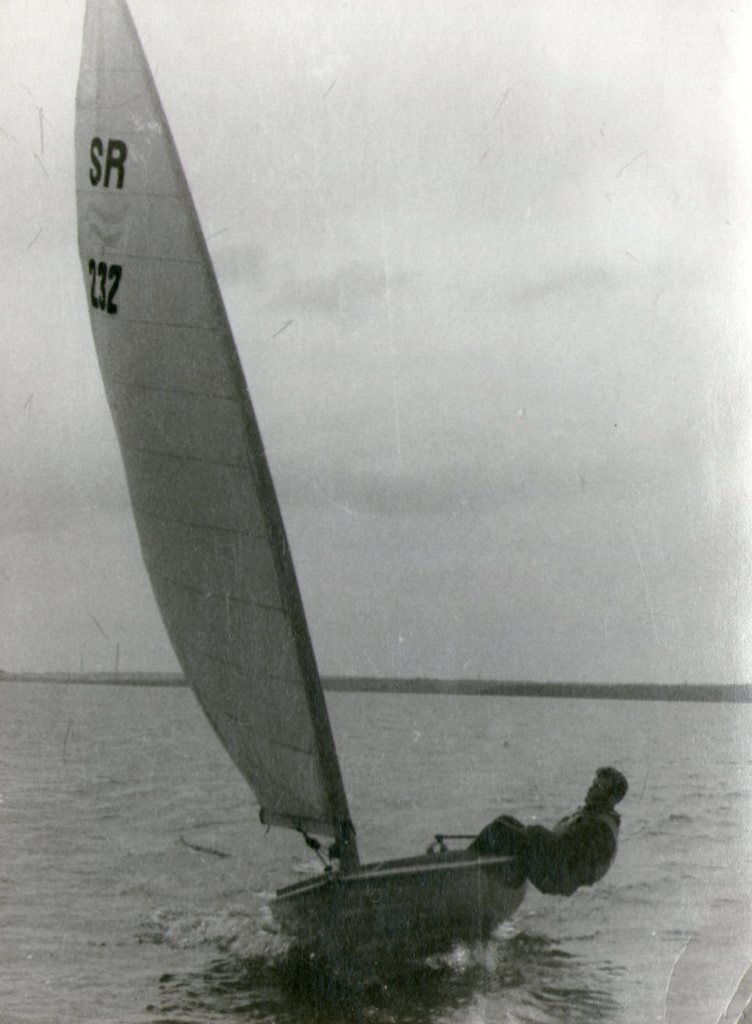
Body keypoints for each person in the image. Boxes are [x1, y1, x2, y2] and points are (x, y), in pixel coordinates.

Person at [469, 766, 628, 896]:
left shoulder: (600, 829)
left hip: (559, 876)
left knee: (500, 829)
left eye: (598, 787)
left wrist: (534, 836)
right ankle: (485, 874)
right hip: (555, 866)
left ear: (611, 798)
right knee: (507, 822)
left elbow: (570, 857)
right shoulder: (594, 816)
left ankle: (466, 872)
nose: (590, 789)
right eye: (593, 784)